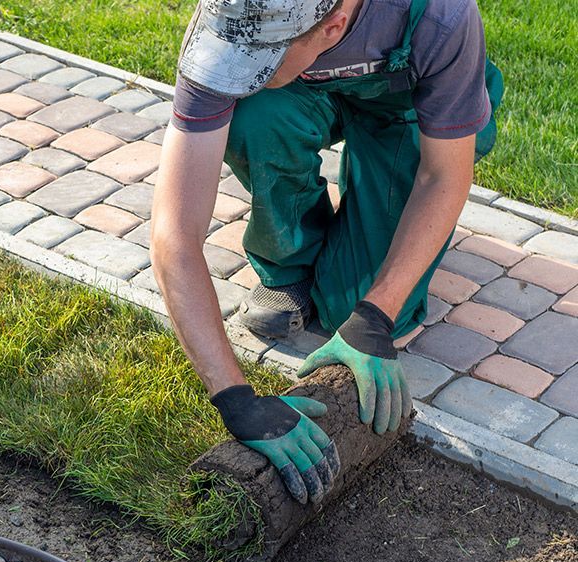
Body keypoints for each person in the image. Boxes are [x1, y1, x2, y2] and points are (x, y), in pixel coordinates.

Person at [150, 0, 502, 505]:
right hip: (301, 93)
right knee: (254, 113)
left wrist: (375, 317)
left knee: (354, 311)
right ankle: (288, 265)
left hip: (404, 108)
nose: (239, 68)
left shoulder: (441, 15)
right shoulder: (231, 23)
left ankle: (372, 191)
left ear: (334, 24)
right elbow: (174, 233)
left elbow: (445, 175)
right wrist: (234, 398)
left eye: (259, 59)